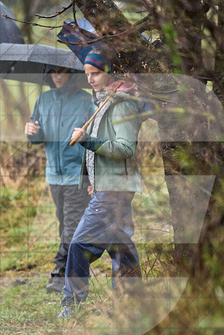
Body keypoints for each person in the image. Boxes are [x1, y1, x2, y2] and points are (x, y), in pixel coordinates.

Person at [58, 50, 143, 319]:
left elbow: (126, 148)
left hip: (115, 189)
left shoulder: (123, 104)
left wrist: (88, 141)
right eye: (87, 75)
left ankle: (72, 305)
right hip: (108, 187)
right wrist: (93, 180)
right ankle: (130, 304)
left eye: (95, 73)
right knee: (121, 247)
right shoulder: (104, 102)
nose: (90, 79)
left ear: (109, 72)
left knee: (79, 245)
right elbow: (101, 152)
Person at [25, 66, 95, 293]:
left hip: (78, 174)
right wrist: (31, 133)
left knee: (72, 226)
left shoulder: (86, 100)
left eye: (62, 71)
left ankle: (60, 273)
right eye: (53, 71)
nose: (57, 76)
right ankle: (77, 271)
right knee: (65, 225)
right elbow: (38, 135)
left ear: (71, 73)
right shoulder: (43, 100)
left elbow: (96, 135)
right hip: (54, 175)